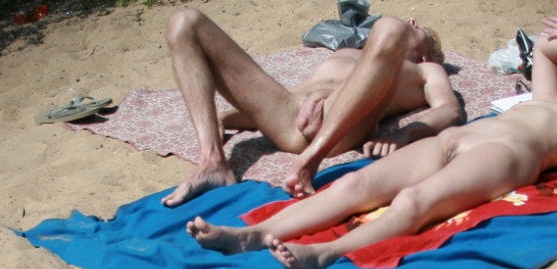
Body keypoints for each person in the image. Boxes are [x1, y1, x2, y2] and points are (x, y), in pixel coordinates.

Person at [186, 14, 557, 269]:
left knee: (414, 201)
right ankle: (253, 235)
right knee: (355, 185)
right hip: (454, 138)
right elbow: (549, 49)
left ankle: (328, 252)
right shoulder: (550, 100)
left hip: (508, 155)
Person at [161, 9, 463, 207]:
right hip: (290, 116)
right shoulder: (352, 52)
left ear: (426, 57)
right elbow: (290, 97)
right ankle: (212, 161)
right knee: (185, 22)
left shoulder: (425, 70)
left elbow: (450, 110)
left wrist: (405, 134)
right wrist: (228, 118)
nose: (413, 23)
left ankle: (309, 161)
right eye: (415, 26)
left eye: (421, 32)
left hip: (343, 127)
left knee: (391, 27)